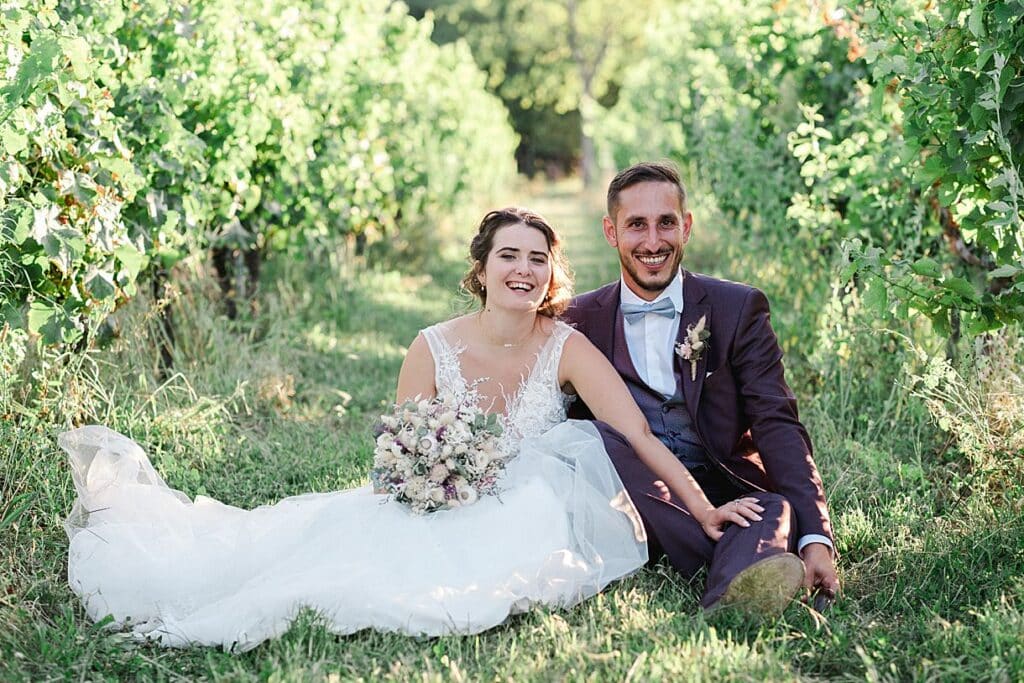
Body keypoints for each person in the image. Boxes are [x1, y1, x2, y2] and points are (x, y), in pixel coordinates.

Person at [61, 207, 761, 651]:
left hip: (538, 495)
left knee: (508, 539)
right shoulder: (432, 344)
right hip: (441, 493)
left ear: (552, 275)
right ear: (481, 270)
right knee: (341, 553)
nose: (523, 269)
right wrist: (426, 475)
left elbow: (638, 435)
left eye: (538, 258)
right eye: (509, 256)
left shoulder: (567, 345)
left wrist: (704, 506)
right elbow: (397, 449)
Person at [563, 161, 840, 613]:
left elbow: (776, 423)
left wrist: (817, 538)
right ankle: (751, 557)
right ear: (611, 232)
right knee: (600, 438)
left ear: (686, 226)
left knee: (774, 508)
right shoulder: (578, 319)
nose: (653, 242)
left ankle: (727, 601)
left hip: (724, 491)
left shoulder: (738, 307)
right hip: (634, 505)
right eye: (636, 225)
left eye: (666, 223)